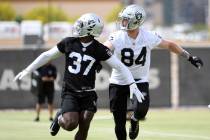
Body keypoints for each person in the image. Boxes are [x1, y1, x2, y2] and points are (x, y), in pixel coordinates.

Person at [14, 13, 145, 140]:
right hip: (70, 92)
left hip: (88, 94)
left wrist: (132, 84)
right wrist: (28, 69)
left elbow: (120, 66)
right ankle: (59, 117)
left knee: (85, 123)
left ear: (90, 29)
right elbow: (47, 55)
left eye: (81, 24)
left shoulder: (99, 49)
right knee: (70, 124)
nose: (77, 26)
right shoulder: (69, 42)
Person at [104, 4, 203, 140]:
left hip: (139, 80)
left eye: (126, 19)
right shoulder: (117, 36)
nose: (123, 22)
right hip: (118, 81)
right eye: (123, 19)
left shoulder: (148, 36)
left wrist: (189, 56)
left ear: (136, 21)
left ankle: (134, 120)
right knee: (119, 122)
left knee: (142, 110)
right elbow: (105, 48)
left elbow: (170, 45)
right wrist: (97, 59)